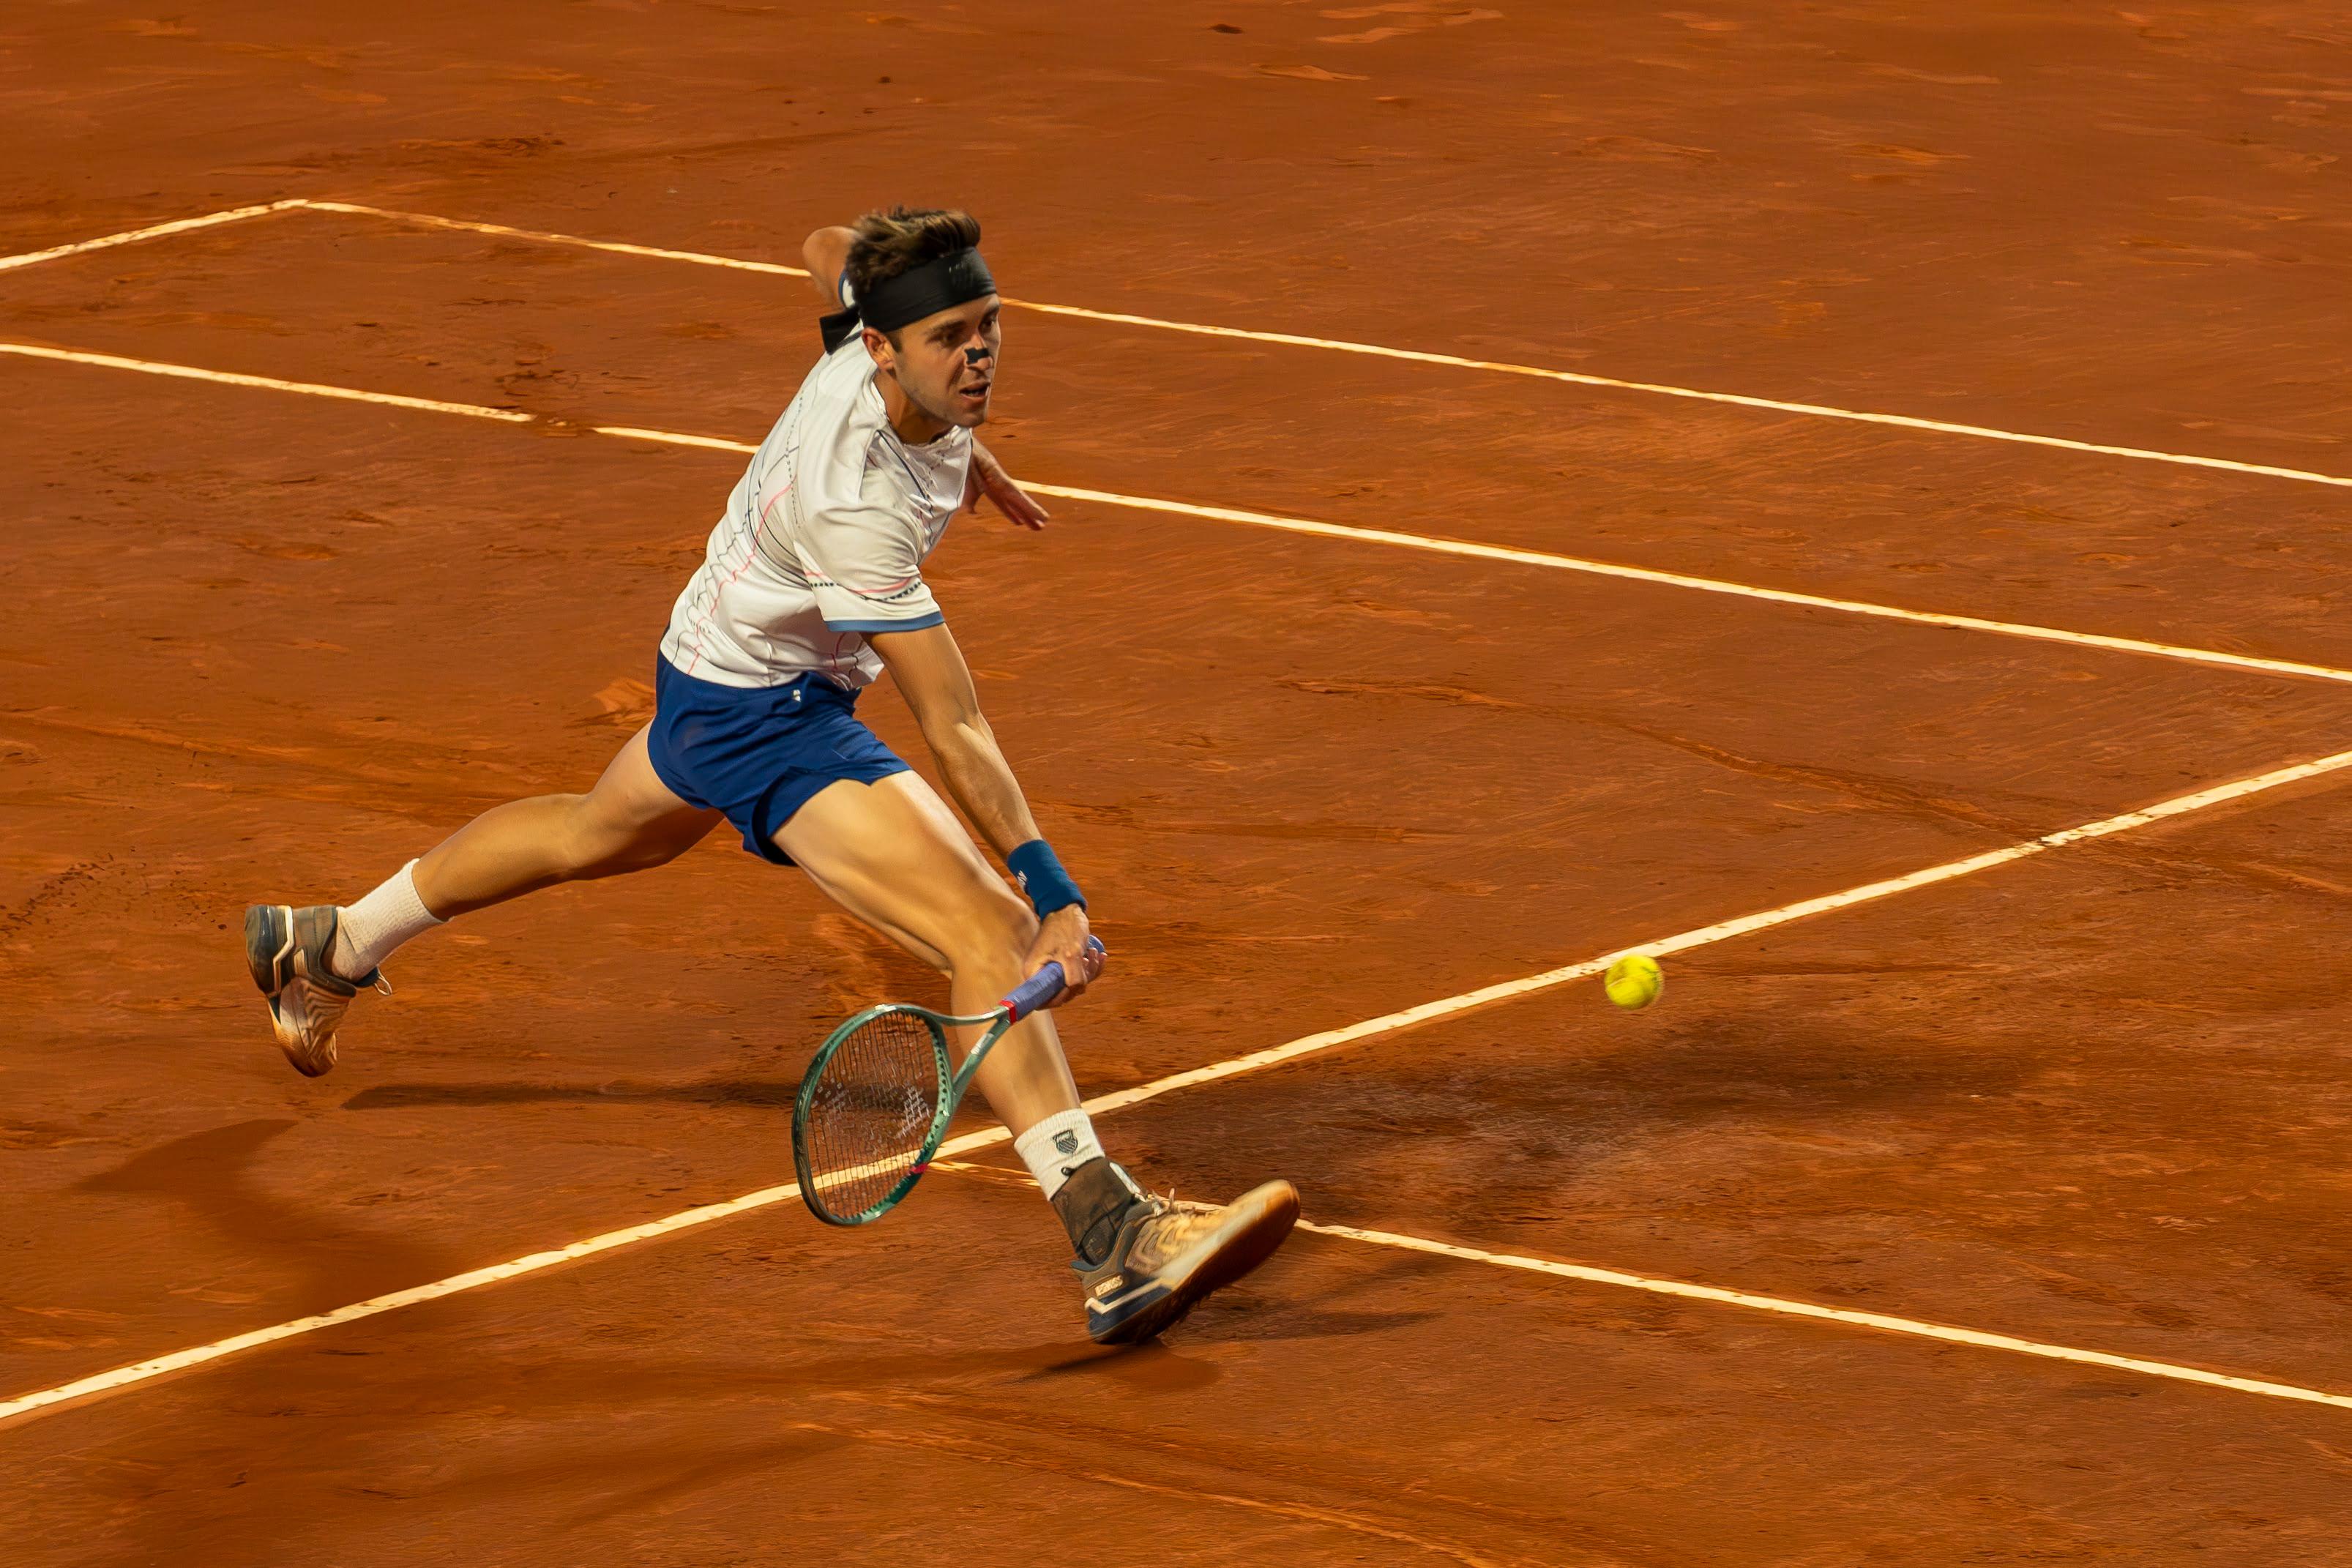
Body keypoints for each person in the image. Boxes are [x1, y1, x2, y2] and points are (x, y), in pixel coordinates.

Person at [244, 206, 1296, 1345]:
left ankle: (329, 940)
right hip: (767, 715)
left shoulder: (873, 340)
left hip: (711, 661)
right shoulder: (857, 508)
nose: (979, 352)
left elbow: (824, 243)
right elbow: (954, 720)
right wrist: (1053, 891)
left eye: (989, 326)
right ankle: (1111, 1233)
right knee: (986, 929)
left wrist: (961, 434)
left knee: (601, 831)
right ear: (885, 350)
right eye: (949, 337)